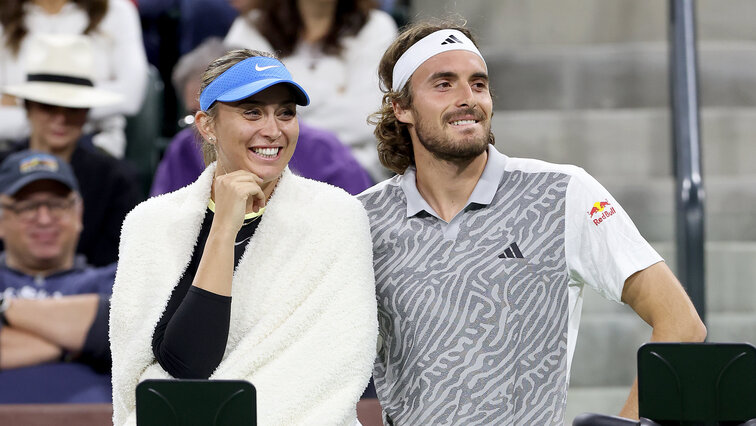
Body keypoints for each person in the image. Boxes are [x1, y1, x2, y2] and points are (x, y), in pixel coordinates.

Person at [358, 22, 707, 424]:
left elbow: (682, 324)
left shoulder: (564, 192)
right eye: (443, 84)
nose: (467, 98)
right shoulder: (361, 218)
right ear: (401, 107)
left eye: (478, 83)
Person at [110, 49, 377, 425]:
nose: (273, 129)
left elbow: (329, 367)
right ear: (207, 125)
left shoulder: (335, 216)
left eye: (285, 112)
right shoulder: (150, 224)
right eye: (252, 112)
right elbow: (185, 366)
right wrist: (223, 228)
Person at [150, 37, 373, 196]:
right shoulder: (182, 150)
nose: (272, 131)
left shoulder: (326, 153)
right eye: (196, 116)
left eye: (285, 113)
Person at [1, 34, 142, 267]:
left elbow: (113, 265)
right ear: (27, 107)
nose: (60, 119)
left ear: (87, 112)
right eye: (48, 107)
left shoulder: (116, 180)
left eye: (72, 108)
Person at [225, 0, 398, 181]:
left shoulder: (376, 26)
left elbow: (366, 120)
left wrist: (287, 99)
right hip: (266, 167)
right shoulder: (249, 28)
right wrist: (336, 94)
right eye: (287, 110)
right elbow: (239, 113)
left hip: (354, 172)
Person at [0, 150, 115, 403]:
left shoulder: (115, 280)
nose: (43, 219)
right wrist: (82, 343)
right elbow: (104, 339)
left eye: (57, 204)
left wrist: (5, 310)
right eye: (27, 206)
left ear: (78, 213)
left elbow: (122, 329)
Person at [0, 0, 148, 157]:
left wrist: (22, 102)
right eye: (43, 106)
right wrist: (81, 102)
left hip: (95, 148)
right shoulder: (4, 11)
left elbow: (131, 97)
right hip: (9, 150)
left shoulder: (117, 11)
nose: (59, 116)